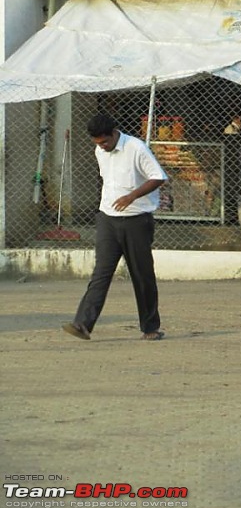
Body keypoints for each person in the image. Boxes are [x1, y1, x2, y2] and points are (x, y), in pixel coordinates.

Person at [62, 114, 168, 341]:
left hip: (137, 220)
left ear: (114, 133)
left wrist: (132, 196)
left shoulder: (136, 148)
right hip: (107, 219)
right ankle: (82, 324)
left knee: (142, 275)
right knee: (101, 273)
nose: (102, 146)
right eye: (97, 143)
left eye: (105, 141)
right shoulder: (100, 151)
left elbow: (158, 177)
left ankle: (150, 327)